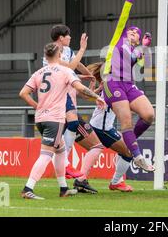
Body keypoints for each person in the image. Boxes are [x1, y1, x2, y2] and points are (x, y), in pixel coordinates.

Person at [19, 42, 106, 199]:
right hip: (55, 118)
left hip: (41, 118)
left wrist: (37, 106)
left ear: (45, 56)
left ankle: (63, 189)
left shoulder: (38, 73)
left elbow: (23, 93)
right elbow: (80, 89)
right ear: (59, 55)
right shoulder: (65, 71)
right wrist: (97, 96)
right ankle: (28, 188)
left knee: (60, 151)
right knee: (46, 154)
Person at [102, 0, 155, 172]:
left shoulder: (135, 51)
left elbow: (141, 63)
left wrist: (144, 47)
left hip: (128, 84)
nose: (132, 32)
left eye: (136, 33)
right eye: (131, 31)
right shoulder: (119, 37)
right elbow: (125, 15)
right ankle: (137, 155)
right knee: (126, 121)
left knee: (149, 115)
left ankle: (130, 144)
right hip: (112, 81)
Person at [44, 25, 105, 194]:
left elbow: (76, 67)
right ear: (60, 37)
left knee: (96, 145)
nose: (70, 38)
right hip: (57, 103)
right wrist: (83, 49)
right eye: (68, 36)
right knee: (53, 147)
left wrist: (89, 75)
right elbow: (69, 68)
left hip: (67, 103)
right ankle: (66, 165)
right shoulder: (52, 53)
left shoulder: (68, 51)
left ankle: (77, 181)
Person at [87, 62, 134, 192]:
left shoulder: (109, 85)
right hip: (102, 128)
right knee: (129, 151)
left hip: (101, 125)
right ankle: (115, 182)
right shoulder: (112, 87)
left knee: (125, 148)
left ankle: (117, 180)